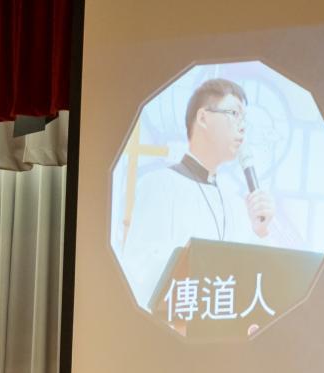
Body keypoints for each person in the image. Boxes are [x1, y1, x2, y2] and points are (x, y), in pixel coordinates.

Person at [121, 78, 304, 310]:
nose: (242, 127)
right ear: (203, 118)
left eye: (244, 119)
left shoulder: (233, 203)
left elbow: (251, 281)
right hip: (170, 327)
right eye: (234, 114)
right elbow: (138, 270)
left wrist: (259, 231)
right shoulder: (160, 184)